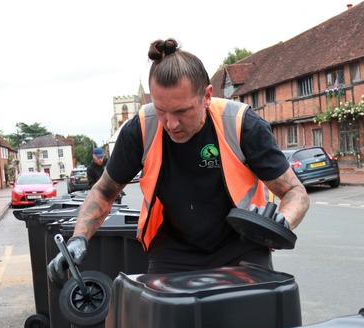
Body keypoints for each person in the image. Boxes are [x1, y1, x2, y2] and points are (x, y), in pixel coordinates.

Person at [47, 38, 310, 281]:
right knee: (164, 326)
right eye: (161, 110)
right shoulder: (140, 129)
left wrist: (283, 220)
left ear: (207, 96)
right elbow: (104, 191)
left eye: (182, 111)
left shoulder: (242, 125)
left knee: (249, 327)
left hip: (242, 247)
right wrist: (78, 238)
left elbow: (295, 191)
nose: (171, 124)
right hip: (172, 251)